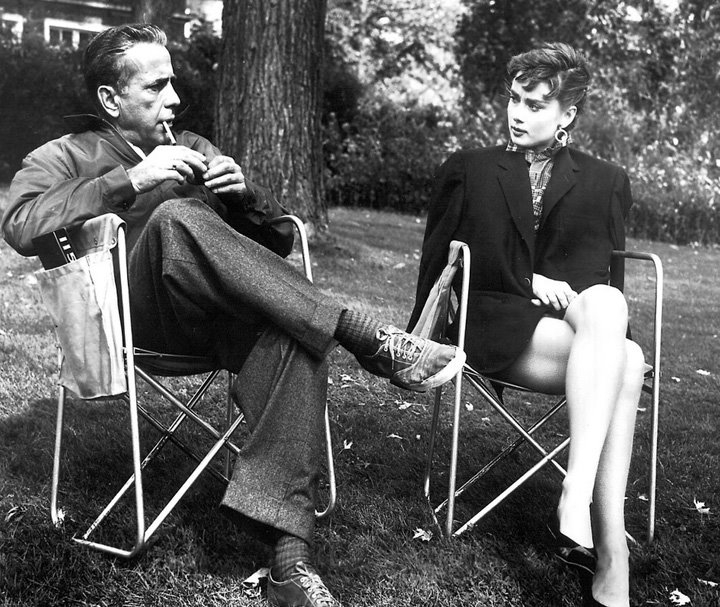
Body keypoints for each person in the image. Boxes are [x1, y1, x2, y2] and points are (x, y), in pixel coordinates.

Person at [2, 24, 466, 607]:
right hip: (127, 322)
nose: (174, 99)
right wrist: (129, 180)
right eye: (156, 87)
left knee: (293, 333)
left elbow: (276, 245)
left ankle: (289, 565)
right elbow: (20, 224)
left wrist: (245, 197)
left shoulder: (195, 146)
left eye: (173, 84)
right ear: (110, 99)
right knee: (175, 217)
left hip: (214, 319)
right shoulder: (64, 155)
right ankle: (362, 333)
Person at [408, 43, 644, 607]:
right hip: (492, 321)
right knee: (629, 362)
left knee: (610, 307)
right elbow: (441, 263)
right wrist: (527, 279)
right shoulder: (469, 168)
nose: (517, 113)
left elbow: (600, 275)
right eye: (514, 99)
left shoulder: (606, 180)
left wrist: (564, 291)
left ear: (567, 114)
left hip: (575, 325)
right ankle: (610, 549)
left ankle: (577, 496)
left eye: (535, 105)